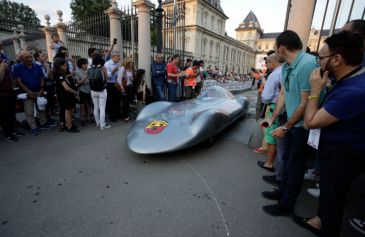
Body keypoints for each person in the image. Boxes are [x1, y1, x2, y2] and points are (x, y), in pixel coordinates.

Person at [293, 32, 365, 237]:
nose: (318, 63)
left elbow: (310, 122)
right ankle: (318, 221)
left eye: (320, 58)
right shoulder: (351, 79)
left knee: (333, 201)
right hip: (338, 152)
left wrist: (315, 90)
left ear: (336, 59)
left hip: (343, 155)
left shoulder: (354, 91)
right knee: (330, 195)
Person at [260, 30, 318, 216]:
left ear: (282, 48)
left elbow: (306, 102)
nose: (274, 51)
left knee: (295, 165)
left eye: (275, 48)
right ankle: (282, 192)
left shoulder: (307, 64)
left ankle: (287, 205)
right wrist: (273, 118)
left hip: (302, 126)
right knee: (288, 162)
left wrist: (286, 126)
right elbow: (283, 95)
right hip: (292, 122)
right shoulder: (286, 66)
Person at [13, 50, 50, 135]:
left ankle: (43, 124)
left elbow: (41, 78)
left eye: (30, 57)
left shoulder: (37, 66)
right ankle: (33, 127)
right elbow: (18, 81)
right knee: (29, 110)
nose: (29, 59)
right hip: (26, 92)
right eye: (27, 57)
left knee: (41, 108)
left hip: (38, 90)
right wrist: (29, 92)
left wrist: (41, 89)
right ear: (22, 59)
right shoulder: (17, 67)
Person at [257, 54, 282, 173]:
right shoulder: (285, 71)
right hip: (282, 109)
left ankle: (269, 163)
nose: (267, 66)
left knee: (271, 135)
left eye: (267, 63)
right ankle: (272, 161)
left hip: (273, 107)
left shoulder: (274, 74)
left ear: (271, 63)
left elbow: (266, 97)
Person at [53, 58, 79, 133]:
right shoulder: (58, 74)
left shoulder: (62, 73)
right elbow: (66, 88)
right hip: (64, 95)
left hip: (67, 95)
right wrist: (75, 92)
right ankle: (69, 126)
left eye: (66, 65)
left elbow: (65, 79)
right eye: (64, 65)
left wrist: (68, 76)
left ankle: (69, 124)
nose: (66, 67)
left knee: (71, 110)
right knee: (68, 110)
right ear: (59, 66)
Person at [88, 52, 111, 130]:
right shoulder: (103, 68)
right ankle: (103, 125)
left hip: (93, 90)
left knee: (96, 107)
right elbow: (107, 78)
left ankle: (97, 123)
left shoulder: (89, 67)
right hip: (101, 90)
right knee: (102, 108)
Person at [34, 51, 55, 122]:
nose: (45, 56)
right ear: (37, 58)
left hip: (48, 86)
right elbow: (44, 77)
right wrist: (48, 69)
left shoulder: (45, 64)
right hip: (41, 87)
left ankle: (48, 118)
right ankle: (44, 120)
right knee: (43, 103)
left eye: (45, 55)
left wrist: (48, 69)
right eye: (43, 56)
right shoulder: (36, 66)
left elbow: (50, 77)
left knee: (48, 102)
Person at [0, 58, 17, 141]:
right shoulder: (2, 64)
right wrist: (2, 68)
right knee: (4, 115)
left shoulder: (3, 59)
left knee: (11, 113)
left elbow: (10, 75)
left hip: (10, 91)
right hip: (2, 93)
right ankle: (8, 134)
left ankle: (13, 130)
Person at [104, 50, 121, 122]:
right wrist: (113, 71)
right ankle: (112, 116)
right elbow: (108, 76)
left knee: (118, 100)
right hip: (110, 84)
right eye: (118, 56)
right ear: (113, 57)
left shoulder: (118, 64)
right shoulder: (107, 64)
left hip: (117, 83)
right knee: (111, 101)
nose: (119, 58)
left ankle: (118, 114)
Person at [117, 57, 135, 122]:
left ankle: (126, 115)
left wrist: (132, 79)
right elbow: (119, 80)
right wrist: (122, 88)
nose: (132, 64)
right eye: (131, 63)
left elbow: (131, 79)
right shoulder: (122, 69)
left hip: (130, 87)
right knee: (124, 102)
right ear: (127, 63)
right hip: (124, 87)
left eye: (132, 63)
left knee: (127, 102)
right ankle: (125, 116)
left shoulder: (130, 69)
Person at [75, 58, 92, 126]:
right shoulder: (77, 71)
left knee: (88, 105)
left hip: (89, 90)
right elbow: (78, 83)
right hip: (82, 90)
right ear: (81, 64)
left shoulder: (88, 70)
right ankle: (82, 119)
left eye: (86, 63)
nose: (86, 65)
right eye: (84, 63)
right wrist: (85, 77)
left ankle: (88, 118)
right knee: (82, 106)